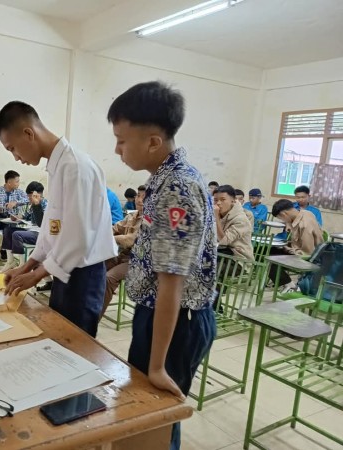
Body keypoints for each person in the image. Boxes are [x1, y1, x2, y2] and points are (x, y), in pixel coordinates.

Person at [108, 81, 217, 450]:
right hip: (162, 316)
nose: (117, 149)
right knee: (147, 420)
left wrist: (157, 365)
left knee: (155, 420)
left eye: (122, 140)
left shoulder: (177, 188)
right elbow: (155, 256)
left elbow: (172, 283)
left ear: (153, 141)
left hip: (173, 323)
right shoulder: (163, 179)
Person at [0, 101, 117, 338]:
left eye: (12, 148)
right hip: (64, 270)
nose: (16, 158)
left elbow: (77, 238)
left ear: (28, 133)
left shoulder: (75, 166)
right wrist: (28, 265)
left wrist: (37, 274)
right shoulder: (58, 166)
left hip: (84, 274)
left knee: (75, 343)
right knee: (59, 337)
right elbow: (54, 228)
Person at [100, 187, 144, 318]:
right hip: (122, 256)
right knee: (93, 266)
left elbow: (130, 240)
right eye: (138, 196)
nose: (140, 200)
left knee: (108, 278)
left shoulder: (150, 220)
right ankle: (86, 307)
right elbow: (115, 228)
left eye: (144, 197)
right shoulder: (131, 215)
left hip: (138, 261)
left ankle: (93, 319)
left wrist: (108, 238)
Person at [267, 199, 324, 292]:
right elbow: (290, 219)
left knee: (273, 262)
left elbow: (307, 252)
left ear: (284, 214)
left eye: (281, 218)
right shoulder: (305, 213)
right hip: (300, 250)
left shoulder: (305, 225)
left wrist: (287, 248)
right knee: (271, 250)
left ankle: (290, 285)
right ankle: (285, 281)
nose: (283, 221)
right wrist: (288, 223)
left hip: (309, 257)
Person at [0, 181, 48, 273]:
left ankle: (22, 264)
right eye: (28, 196)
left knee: (17, 234)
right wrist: (17, 217)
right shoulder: (31, 204)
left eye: (30, 196)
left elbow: (43, 222)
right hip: (30, 229)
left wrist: (36, 206)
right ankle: (10, 261)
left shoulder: (45, 204)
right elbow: (25, 215)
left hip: (40, 233)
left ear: (38, 194)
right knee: (7, 230)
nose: (29, 198)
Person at [213, 185, 253, 261]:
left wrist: (216, 218)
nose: (218, 203)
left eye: (223, 199)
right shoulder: (218, 213)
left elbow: (223, 241)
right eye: (215, 200)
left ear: (233, 200)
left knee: (207, 267)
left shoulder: (241, 219)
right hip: (220, 253)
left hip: (238, 260)